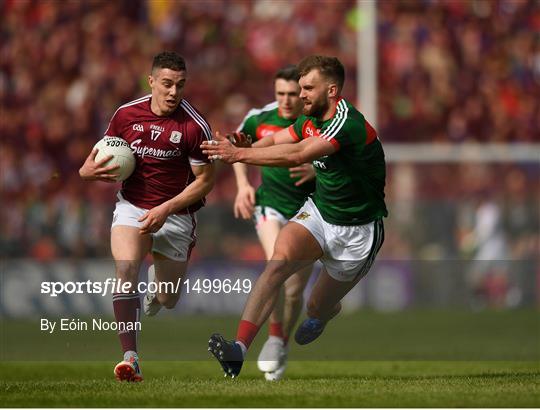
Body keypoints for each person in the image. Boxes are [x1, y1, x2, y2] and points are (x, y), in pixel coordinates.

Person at [202, 55, 387, 378]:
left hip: (358, 232)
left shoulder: (347, 123)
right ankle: (238, 350)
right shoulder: (309, 119)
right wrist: (253, 145)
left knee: (316, 307)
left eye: (307, 88)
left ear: (331, 91)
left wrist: (240, 155)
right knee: (277, 264)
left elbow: (299, 153)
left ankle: (325, 311)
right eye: (299, 88)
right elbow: (279, 140)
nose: (301, 95)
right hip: (319, 213)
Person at [79, 51, 214, 382]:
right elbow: (92, 162)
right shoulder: (126, 115)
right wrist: (87, 171)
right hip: (133, 207)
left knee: (168, 299)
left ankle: (156, 290)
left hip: (177, 213)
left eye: (180, 85)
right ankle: (131, 357)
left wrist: (166, 209)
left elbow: (205, 182)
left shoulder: (195, 126)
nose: (173, 92)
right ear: (151, 81)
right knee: (125, 269)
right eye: (166, 84)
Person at [232, 65, 316, 381]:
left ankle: (279, 341)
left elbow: (344, 160)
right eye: (280, 93)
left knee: (295, 291)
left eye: (293, 94)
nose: (286, 100)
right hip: (270, 206)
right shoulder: (258, 119)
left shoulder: (317, 120)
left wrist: (317, 173)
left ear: (304, 94)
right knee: (275, 264)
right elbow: (237, 150)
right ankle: (273, 335)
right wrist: (243, 185)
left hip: (309, 212)